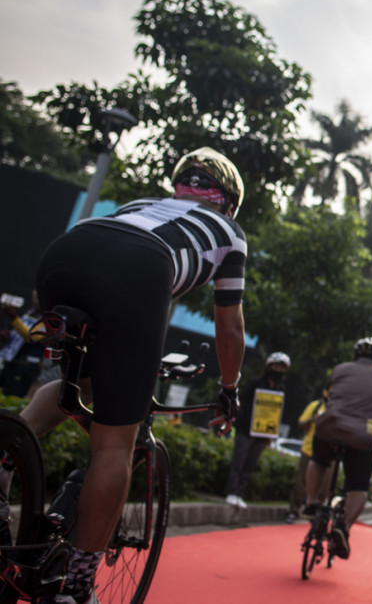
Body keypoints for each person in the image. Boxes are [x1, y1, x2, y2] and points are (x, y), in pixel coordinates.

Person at [10, 147, 247, 604]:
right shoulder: (229, 233)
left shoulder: (139, 205)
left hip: (63, 256)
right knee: (115, 442)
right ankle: (77, 586)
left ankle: (4, 463)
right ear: (230, 201)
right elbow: (229, 326)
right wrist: (229, 388)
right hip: (138, 271)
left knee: (78, 383)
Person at [303, 337, 372, 559]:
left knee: (318, 459)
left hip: (329, 427)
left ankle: (311, 502)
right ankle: (343, 528)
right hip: (363, 436)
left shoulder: (339, 369)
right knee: (358, 486)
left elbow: (327, 397)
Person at [224, 351, 290, 508]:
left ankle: (239, 493)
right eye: (277, 367)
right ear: (269, 366)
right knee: (239, 462)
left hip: (263, 433)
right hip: (246, 429)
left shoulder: (281, 389)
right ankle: (231, 492)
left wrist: (270, 434)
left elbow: (277, 412)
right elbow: (242, 400)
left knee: (250, 465)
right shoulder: (256, 383)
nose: (279, 371)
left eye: (282, 368)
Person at [286, 388, 335, 523]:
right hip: (309, 450)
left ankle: (316, 515)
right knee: (300, 483)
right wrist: (313, 420)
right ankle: (293, 511)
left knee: (324, 488)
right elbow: (301, 423)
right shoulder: (315, 406)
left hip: (329, 454)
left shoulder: (339, 411)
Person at [0, 289, 45, 397]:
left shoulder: (51, 319)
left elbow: (31, 337)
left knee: (12, 396)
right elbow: (21, 333)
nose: (34, 302)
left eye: (37, 299)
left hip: (26, 366)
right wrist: (9, 335)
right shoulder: (32, 312)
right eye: (33, 298)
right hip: (12, 361)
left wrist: (14, 318)